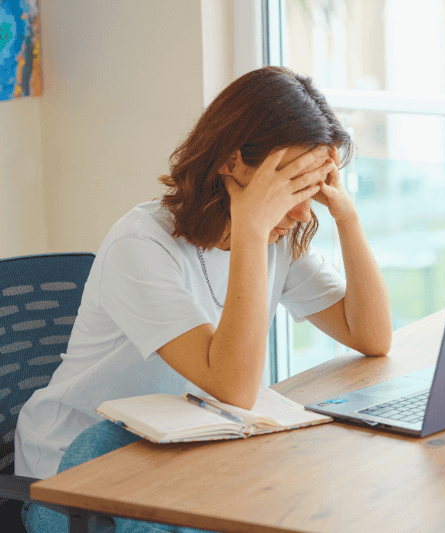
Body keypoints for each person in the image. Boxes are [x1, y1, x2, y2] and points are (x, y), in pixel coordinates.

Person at [15, 66, 393, 533]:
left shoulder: (275, 235)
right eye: (291, 188)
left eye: (313, 190)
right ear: (232, 163)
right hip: (73, 475)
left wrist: (347, 218)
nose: (300, 212)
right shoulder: (141, 246)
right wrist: (253, 228)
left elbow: (372, 336)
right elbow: (231, 387)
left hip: (180, 449)